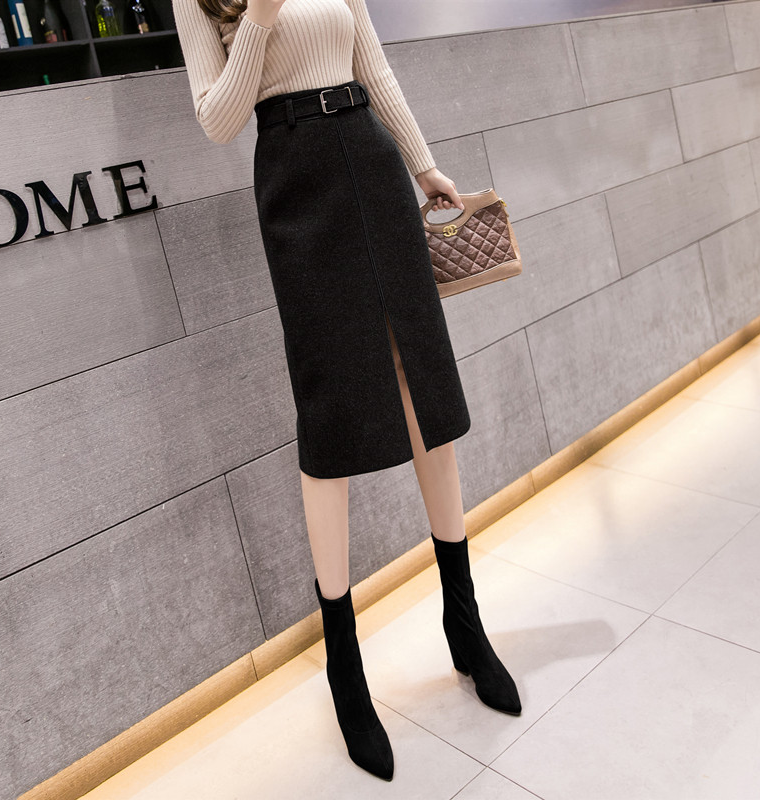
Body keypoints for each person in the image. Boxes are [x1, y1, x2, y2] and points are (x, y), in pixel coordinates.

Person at [172, 0, 522, 781]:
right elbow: (218, 120)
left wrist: (423, 163)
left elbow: (374, 64)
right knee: (329, 407)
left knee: (422, 384)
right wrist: (258, 19)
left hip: (370, 157)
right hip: (295, 179)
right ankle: (344, 666)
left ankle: (465, 624)